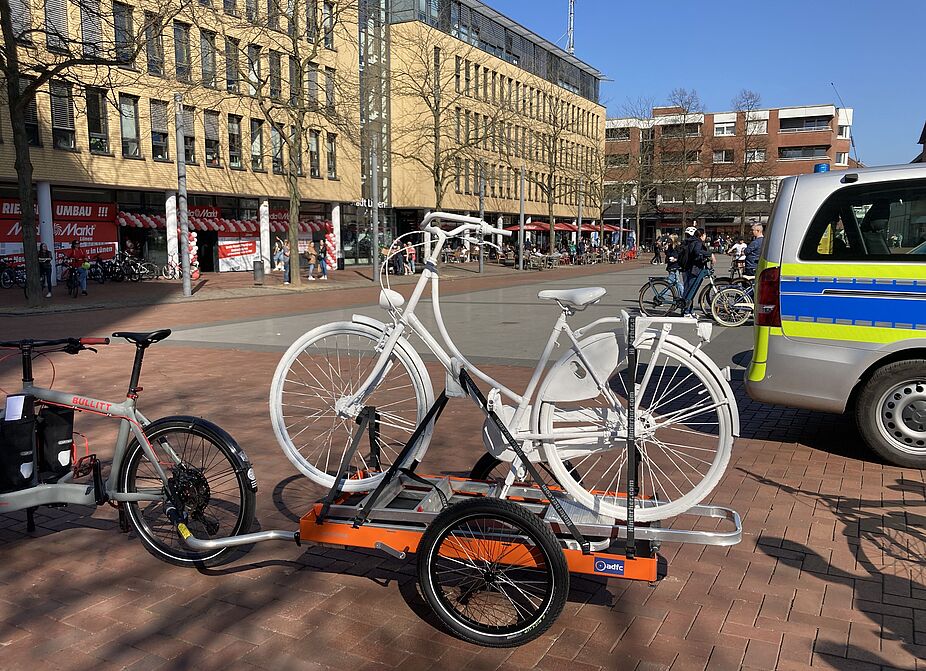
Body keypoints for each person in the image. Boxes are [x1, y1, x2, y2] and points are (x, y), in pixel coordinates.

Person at [680, 228, 714, 317]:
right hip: (693, 269)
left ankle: (688, 310)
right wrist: (710, 254)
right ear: (701, 235)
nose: (706, 236)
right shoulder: (697, 242)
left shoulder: (691, 241)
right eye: (705, 235)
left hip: (687, 268)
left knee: (689, 290)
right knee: (691, 290)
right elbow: (697, 252)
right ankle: (686, 311)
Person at [664, 234, 684, 298]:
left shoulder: (677, 246)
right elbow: (668, 254)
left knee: (673, 283)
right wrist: (666, 250)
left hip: (675, 266)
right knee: (674, 283)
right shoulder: (670, 246)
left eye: (670, 238)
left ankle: (683, 297)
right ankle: (684, 297)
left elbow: (679, 255)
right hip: (672, 266)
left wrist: (675, 259)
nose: (668, 240)